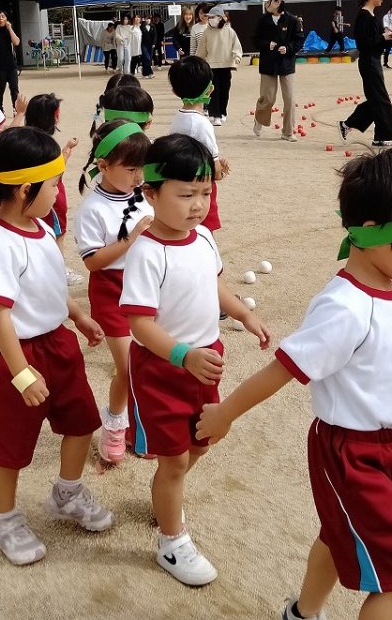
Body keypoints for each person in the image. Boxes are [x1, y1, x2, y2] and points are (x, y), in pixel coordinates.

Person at [196, 148, 392, 620]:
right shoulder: (344, 308)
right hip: (350, 454)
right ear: (372, 232)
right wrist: (224, 414)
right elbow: (281, 370)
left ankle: (302, 614)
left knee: (338, 534)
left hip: (390, 447)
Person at [120, 134, 269, 586]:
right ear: (151, 194)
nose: (198, 205)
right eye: (186, 195)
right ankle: (171, 541)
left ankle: (166, 496)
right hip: (164, 368)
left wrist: (243, 312)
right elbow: (139, 324)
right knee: (174, 460)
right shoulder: (146, 251)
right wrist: (182, 356)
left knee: (201, 443)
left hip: (206, 362)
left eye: (205, 193)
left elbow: (212, 283)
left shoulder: (203, 237)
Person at [0, 126, 113, 566]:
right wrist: (20, 372)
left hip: (58, 346)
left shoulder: (39, 227)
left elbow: (48, 285)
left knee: (81, 421)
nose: (58, 192)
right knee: (11, 448)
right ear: (24, 190)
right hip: (17, 356)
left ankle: (67, 494)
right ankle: (3, 520)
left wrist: (78, 316)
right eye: (53, 184)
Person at [75, 119, 153, 465]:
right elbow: (92, 262)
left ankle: (142, 428)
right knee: (129, 367)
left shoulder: (146, 195)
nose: (139, 176)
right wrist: (131, 239)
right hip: (112, 292)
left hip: (147, 287)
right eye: (131, 169)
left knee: (149, 363)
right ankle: (116, 426)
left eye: (142, 168)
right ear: (104, 166)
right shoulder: (92, 208)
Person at [24, 92, 82, 286]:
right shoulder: (48, 146)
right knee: (58, 234)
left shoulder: (24, 141)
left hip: (31, 197)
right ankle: (58, 269)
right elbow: (56, 172)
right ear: (55, 116)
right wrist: (67, 151)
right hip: (52, 199)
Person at [169, 56, 230, 234]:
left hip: (181, 185)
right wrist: (220, 170)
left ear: (175, 91)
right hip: (200, 188)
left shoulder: (178, 119)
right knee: (204, 233)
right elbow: (215, 171)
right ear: (210, 89)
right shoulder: (202, 125)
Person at [339, 0, 392, 148]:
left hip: (374, 60)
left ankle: (347, 125)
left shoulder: (372, 15)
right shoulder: (363, 16)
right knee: (381, 100)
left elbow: (376, 40)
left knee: (375, 100)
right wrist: (382, 37)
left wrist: (388, 37)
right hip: (368, 62)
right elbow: (363, 44)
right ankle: (381, 137)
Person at [253, 0, 302, 142]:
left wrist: (288, 48)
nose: (266, 4)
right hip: (268, 64)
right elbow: (255, 40)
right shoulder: (262, 20)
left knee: (289, 99)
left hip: (287, 64)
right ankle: (259, 119)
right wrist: (267, 45)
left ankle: (288, 132)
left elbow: (298, 40)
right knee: (268, 98)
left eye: (269, 1)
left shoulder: (293, 20)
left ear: (278, 2)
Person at [195, 6, 243, 125]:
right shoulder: (207, 32)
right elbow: (201, 49)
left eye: (213, 17)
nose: (210, 19)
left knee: (225, 91)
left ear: (220, 18)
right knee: (213, 91)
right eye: (209, 17)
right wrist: (197, 61)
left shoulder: (230, 31)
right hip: (211, 66)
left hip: (226, 65)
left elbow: (237, 47)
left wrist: (237, 57)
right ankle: (214, 114)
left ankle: (222, 112)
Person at [0, 12, 21, 112]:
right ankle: (0, 109)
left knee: (14, 88)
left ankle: (15, 108)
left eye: (3, 16)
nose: (1, 18)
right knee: (0, 89)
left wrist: (10, 28)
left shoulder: (8, 31)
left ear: (6, 19)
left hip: (11, 65)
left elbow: (16, 42)